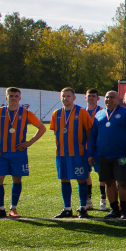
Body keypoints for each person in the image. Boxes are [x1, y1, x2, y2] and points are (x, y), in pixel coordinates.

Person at [0, 87, 46, 219]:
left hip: (19, 153)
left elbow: (42, 128)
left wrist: (29, 142)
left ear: (20, 98)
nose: (13, 98)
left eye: (16, 96)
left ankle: (13, 208)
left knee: (17, 179)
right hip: (2, 153)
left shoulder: (26, 113)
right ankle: (0, 209)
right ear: (6, 97)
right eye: (11, 96)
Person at [86, 90, 126, 219]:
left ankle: (124, 210)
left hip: (122, 156)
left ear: (118, 99)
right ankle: (114, 209)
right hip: (103, 156)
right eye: (107, 97)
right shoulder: (99, 114)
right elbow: (93, 136)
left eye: (112, 97)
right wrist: (90, 154)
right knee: (109, 182)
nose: (109, 99)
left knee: (123, 183)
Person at [49, 88, 92, 218]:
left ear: (74, 98)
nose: (65, 98)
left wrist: (87, 148)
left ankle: (83, 207)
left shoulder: (82, 112)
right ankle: (67, 208)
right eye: (63, 96)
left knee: (81, 179)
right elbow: (56, 132)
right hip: (62, 153)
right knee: (64, 179)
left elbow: (89, 132)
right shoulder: (56, 113)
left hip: (78, 153)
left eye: (68, 96)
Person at [84, 88, 105, 210]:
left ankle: (103, 199)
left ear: (98, 98)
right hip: (84, 149)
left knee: (102, 174)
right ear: (85, 97)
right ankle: (88, 200)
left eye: (93, 96)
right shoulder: (80, 112)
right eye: (89, 96)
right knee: (85, 174)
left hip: (98, 149)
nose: (91, 98)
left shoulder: (102, 112)